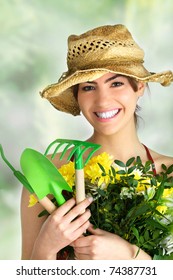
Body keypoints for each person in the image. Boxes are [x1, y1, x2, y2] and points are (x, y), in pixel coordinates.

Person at [21, 24, 173, 260]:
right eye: (89, 87)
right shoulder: (48, 172)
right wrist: (45, 247)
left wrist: (128, 254)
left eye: (116, 83)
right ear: (77, 96)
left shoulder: (169, 174)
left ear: (139, 86)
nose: (103, 101)